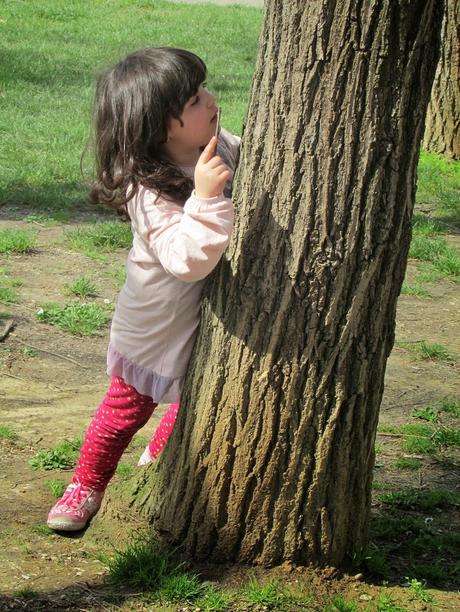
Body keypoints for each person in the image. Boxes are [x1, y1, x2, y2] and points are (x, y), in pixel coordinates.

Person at [47, 47, 240, 531]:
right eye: (195, 99)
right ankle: (86, 484)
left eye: (202, 89)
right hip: (157, 325)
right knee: (123, 409)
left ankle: (161, 456)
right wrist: (207, 197)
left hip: (214, 320)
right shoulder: (147, 191)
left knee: (197, 399)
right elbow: (186, 260)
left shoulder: (222, 146)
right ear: (160, 126)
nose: (211, 99)